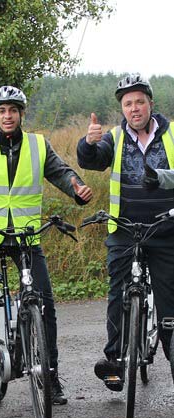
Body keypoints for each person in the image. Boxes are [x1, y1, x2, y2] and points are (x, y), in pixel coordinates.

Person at [0, 86, 93, 404]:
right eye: (1, 111)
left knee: (45, 303)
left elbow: (61, 172)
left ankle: (50, 376)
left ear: (21, 113)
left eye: (13, 110)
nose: (7, 116)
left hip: (25, 235)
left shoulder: (38, 145)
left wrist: (76, 188)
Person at [77, 73, 174, 391]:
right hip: (125, 228)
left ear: (150, 104)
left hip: (165, 227)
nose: (134, 108)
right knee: (118, 292)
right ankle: (115, 361)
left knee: (169, 301)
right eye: (128, 103)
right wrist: (89, 144)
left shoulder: (171, 135)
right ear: (123, 108)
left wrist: (160, 177)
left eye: (139, 102)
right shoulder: (115, 138)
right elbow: (91, 162)